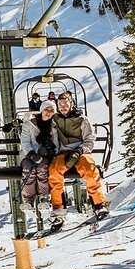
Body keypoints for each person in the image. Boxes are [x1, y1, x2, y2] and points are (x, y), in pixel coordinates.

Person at [48, 91, 107, 231]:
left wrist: (80, 150)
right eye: (60, 105)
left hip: (81, 151)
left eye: (65, 104)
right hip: (63, 152)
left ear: (71, 104)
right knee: (54, 171)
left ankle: (99, 204)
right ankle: (58, 212)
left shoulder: (82, 119)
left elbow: (90, 139)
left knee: (90, 169)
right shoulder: (54, 119)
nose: (63, 107)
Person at [20, 98, 58, 232]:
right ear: (42, 110)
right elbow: (24, 141)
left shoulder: (54, 126)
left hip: (45, 156)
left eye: (51, 111)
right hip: (29, 155)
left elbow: (57, 144)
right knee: (28, 170)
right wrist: (31, 154)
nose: (48, 112)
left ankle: (43, 197)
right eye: (46, 109)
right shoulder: (29, 124)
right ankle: (29, 200)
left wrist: (49, 152)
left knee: (42, 169)